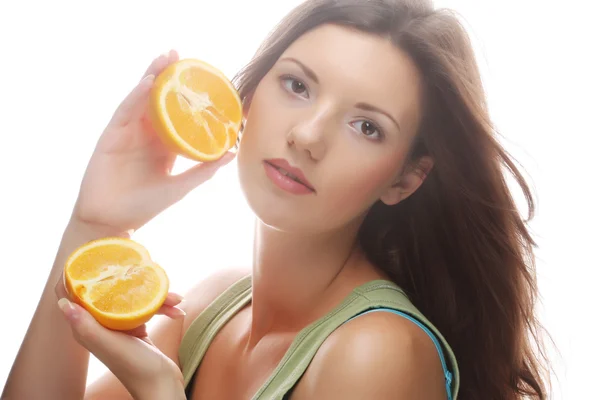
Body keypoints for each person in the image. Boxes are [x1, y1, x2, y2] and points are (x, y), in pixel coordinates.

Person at [3, 0, 552, 399]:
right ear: (246, 97)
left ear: (404, 180)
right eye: (297, 86)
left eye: (366, 126)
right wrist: (93, 224)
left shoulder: (375, 353)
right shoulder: (214, 307)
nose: (308, 136)